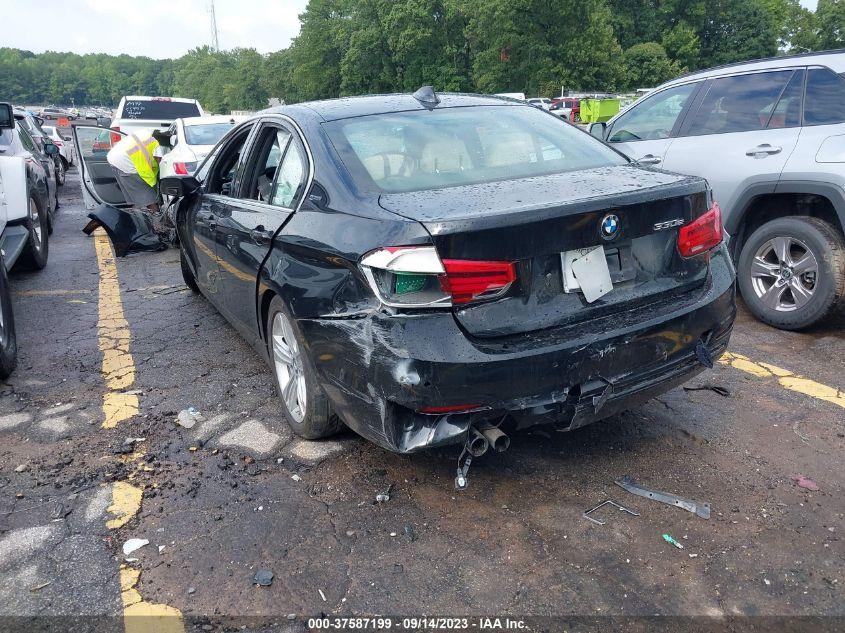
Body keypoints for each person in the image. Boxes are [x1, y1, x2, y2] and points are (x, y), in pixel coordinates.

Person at [106, 128, 168, 214]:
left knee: (137, 199)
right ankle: (156, 223)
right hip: (125, 162)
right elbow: (161, 164)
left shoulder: (148, 132)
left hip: (114, 158)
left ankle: (136, 218)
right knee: (149, 199)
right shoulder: (160, 145)